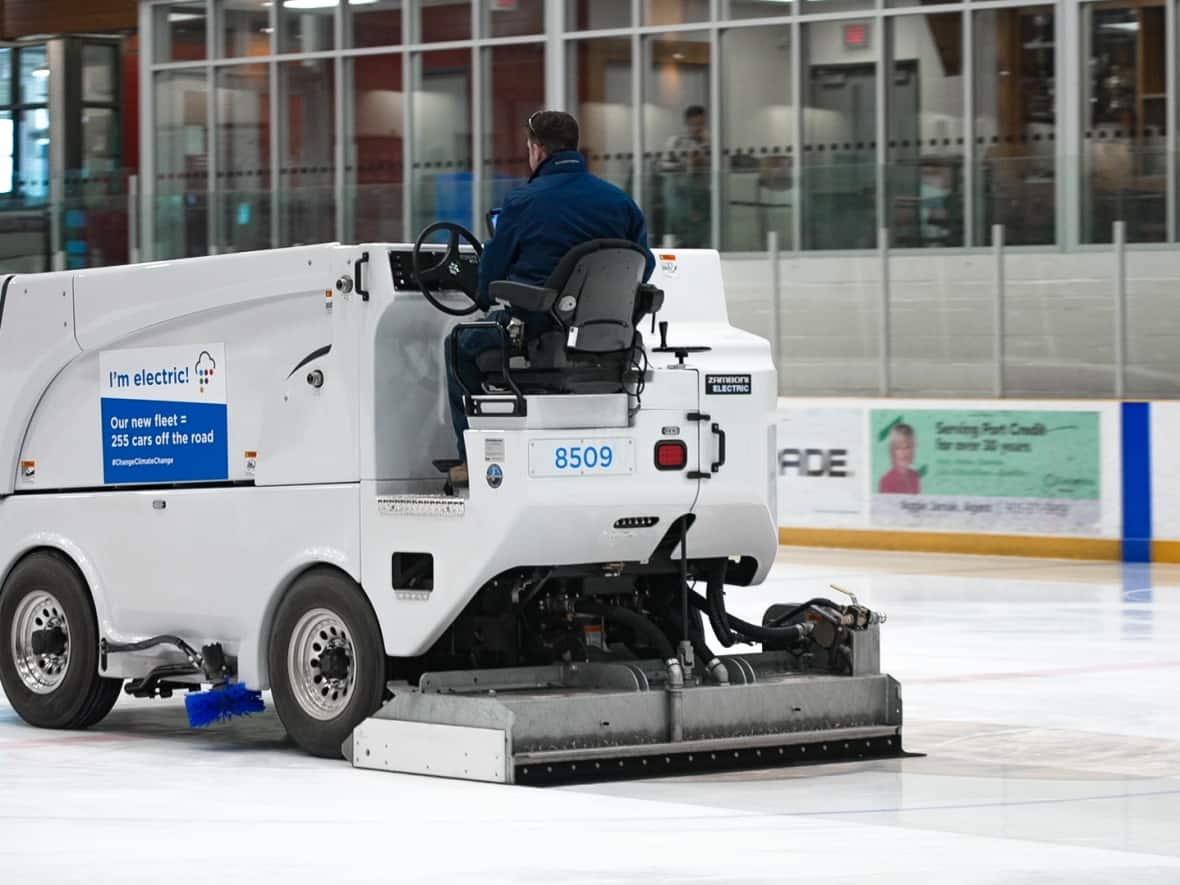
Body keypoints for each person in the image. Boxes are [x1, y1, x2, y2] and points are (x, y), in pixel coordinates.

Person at [446, 110, 655, 485]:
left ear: (538, 150)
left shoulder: (524, 201)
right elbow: (644, 266)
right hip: (610, 343)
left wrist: (482, 294)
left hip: (539, 334)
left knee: (460, 342)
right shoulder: (620, 202)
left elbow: (492, 274)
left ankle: (471, 461)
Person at [657, 105, 710, 248]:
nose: (698, 128)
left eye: (701, 124)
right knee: (683, 230)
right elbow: (663, 166)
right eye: (694, 124)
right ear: (687, 124)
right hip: (680, 193)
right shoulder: (676, 142)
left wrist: (702, 161)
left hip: (702, 194)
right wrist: (686, 164)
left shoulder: (709, 143)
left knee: (701, 231)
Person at [878, 423, 921, 495]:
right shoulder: (887, 481)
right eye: (898, 448)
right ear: (892, 450)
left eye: (907, 447)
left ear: (912, 449)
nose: (903, 453)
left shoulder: (915, 476)